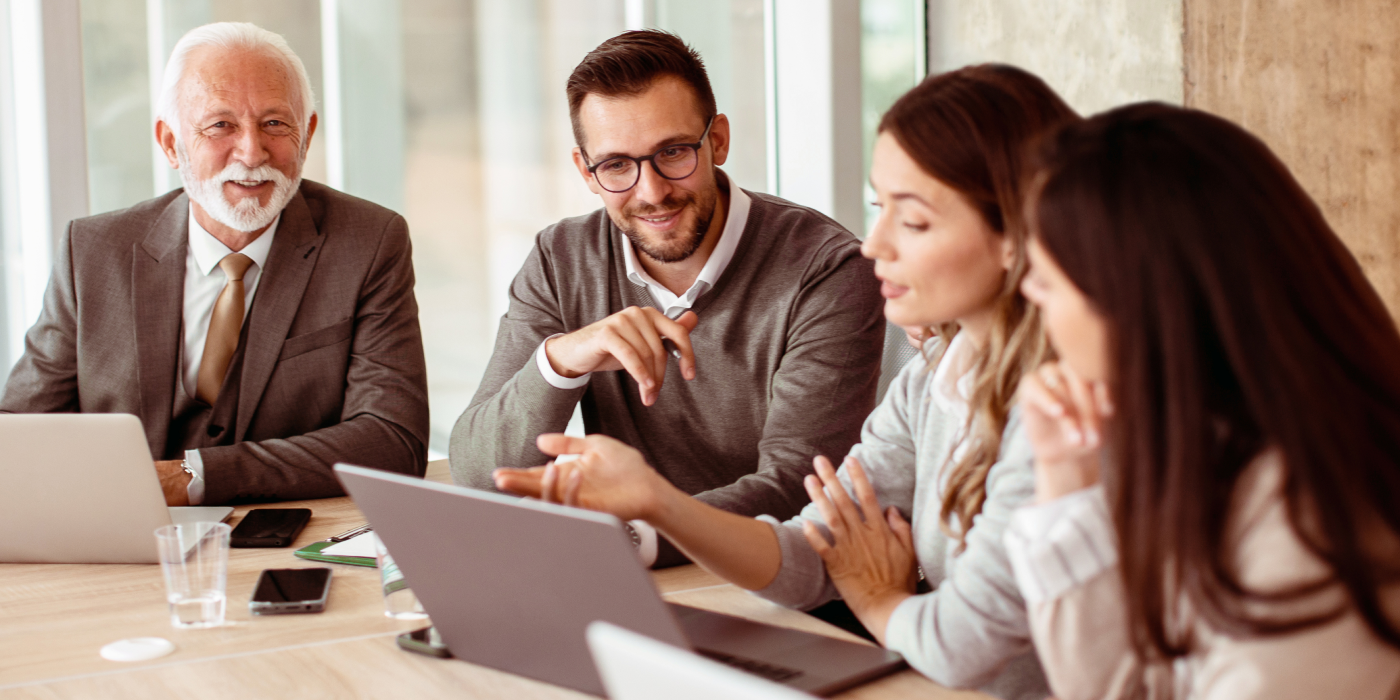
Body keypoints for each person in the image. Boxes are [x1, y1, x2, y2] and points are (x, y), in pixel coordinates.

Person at [494, 65, 1080, 700]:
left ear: (1018, 235)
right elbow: (812, 553)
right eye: (879, 208)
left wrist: (880, 600)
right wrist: (654, 501)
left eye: (911, 222)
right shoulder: (936, 379)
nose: (874, 245)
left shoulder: (1063, 411)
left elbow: (960, 646)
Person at [450, 30, 884, 568]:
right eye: (616, 166)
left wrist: (632, 536)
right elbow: (475, 471)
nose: (652, 192)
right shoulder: (561, 258)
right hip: (639, 579)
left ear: (718, 140)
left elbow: (798, 487)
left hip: (775, 582)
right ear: (587, 171)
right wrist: (563, 360)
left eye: (673, 152)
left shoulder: (827, 269)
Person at [1010, 103, 1400, 699]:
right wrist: (1064, 476)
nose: (1026, 293)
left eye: (1043, 277)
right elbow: (1122, 689)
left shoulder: (1310, 512)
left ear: (1134, 299)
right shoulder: (1199, 446)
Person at [0, 22, 429, 505]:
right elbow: (20, 437)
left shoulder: (369, 242)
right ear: (169, 143)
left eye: (275, 123)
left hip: (285, 538)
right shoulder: (93, 251)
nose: (251, 152)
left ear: (306, 134)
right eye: (220, 125)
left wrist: (191, 475)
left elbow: (392, 442)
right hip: (122, 544)